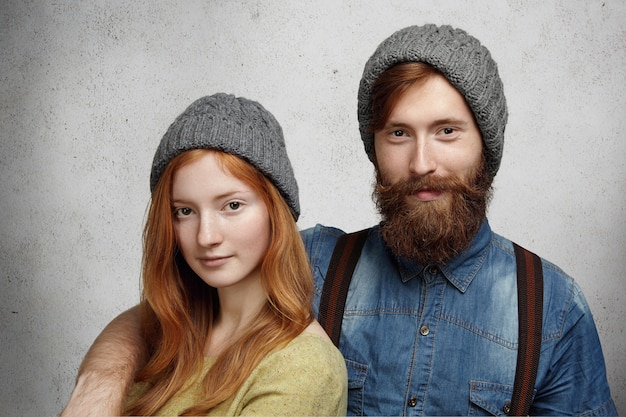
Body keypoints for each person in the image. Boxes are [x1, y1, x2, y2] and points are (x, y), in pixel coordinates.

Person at [61, 25, 617, 416]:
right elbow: (165, 311)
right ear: (374, 147)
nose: (422, 162)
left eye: (447, 131)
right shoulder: (310, 262)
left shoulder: (553, 308)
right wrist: (101, 382)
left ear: (486, 147)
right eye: (398, 133)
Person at [63, 93, 348, 416]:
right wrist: (98, 381)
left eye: (232, 206)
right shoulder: (169, 334)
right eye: (185, 211)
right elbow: (141, 319)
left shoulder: (303, 367)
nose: (206, 236)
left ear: (276, 211)